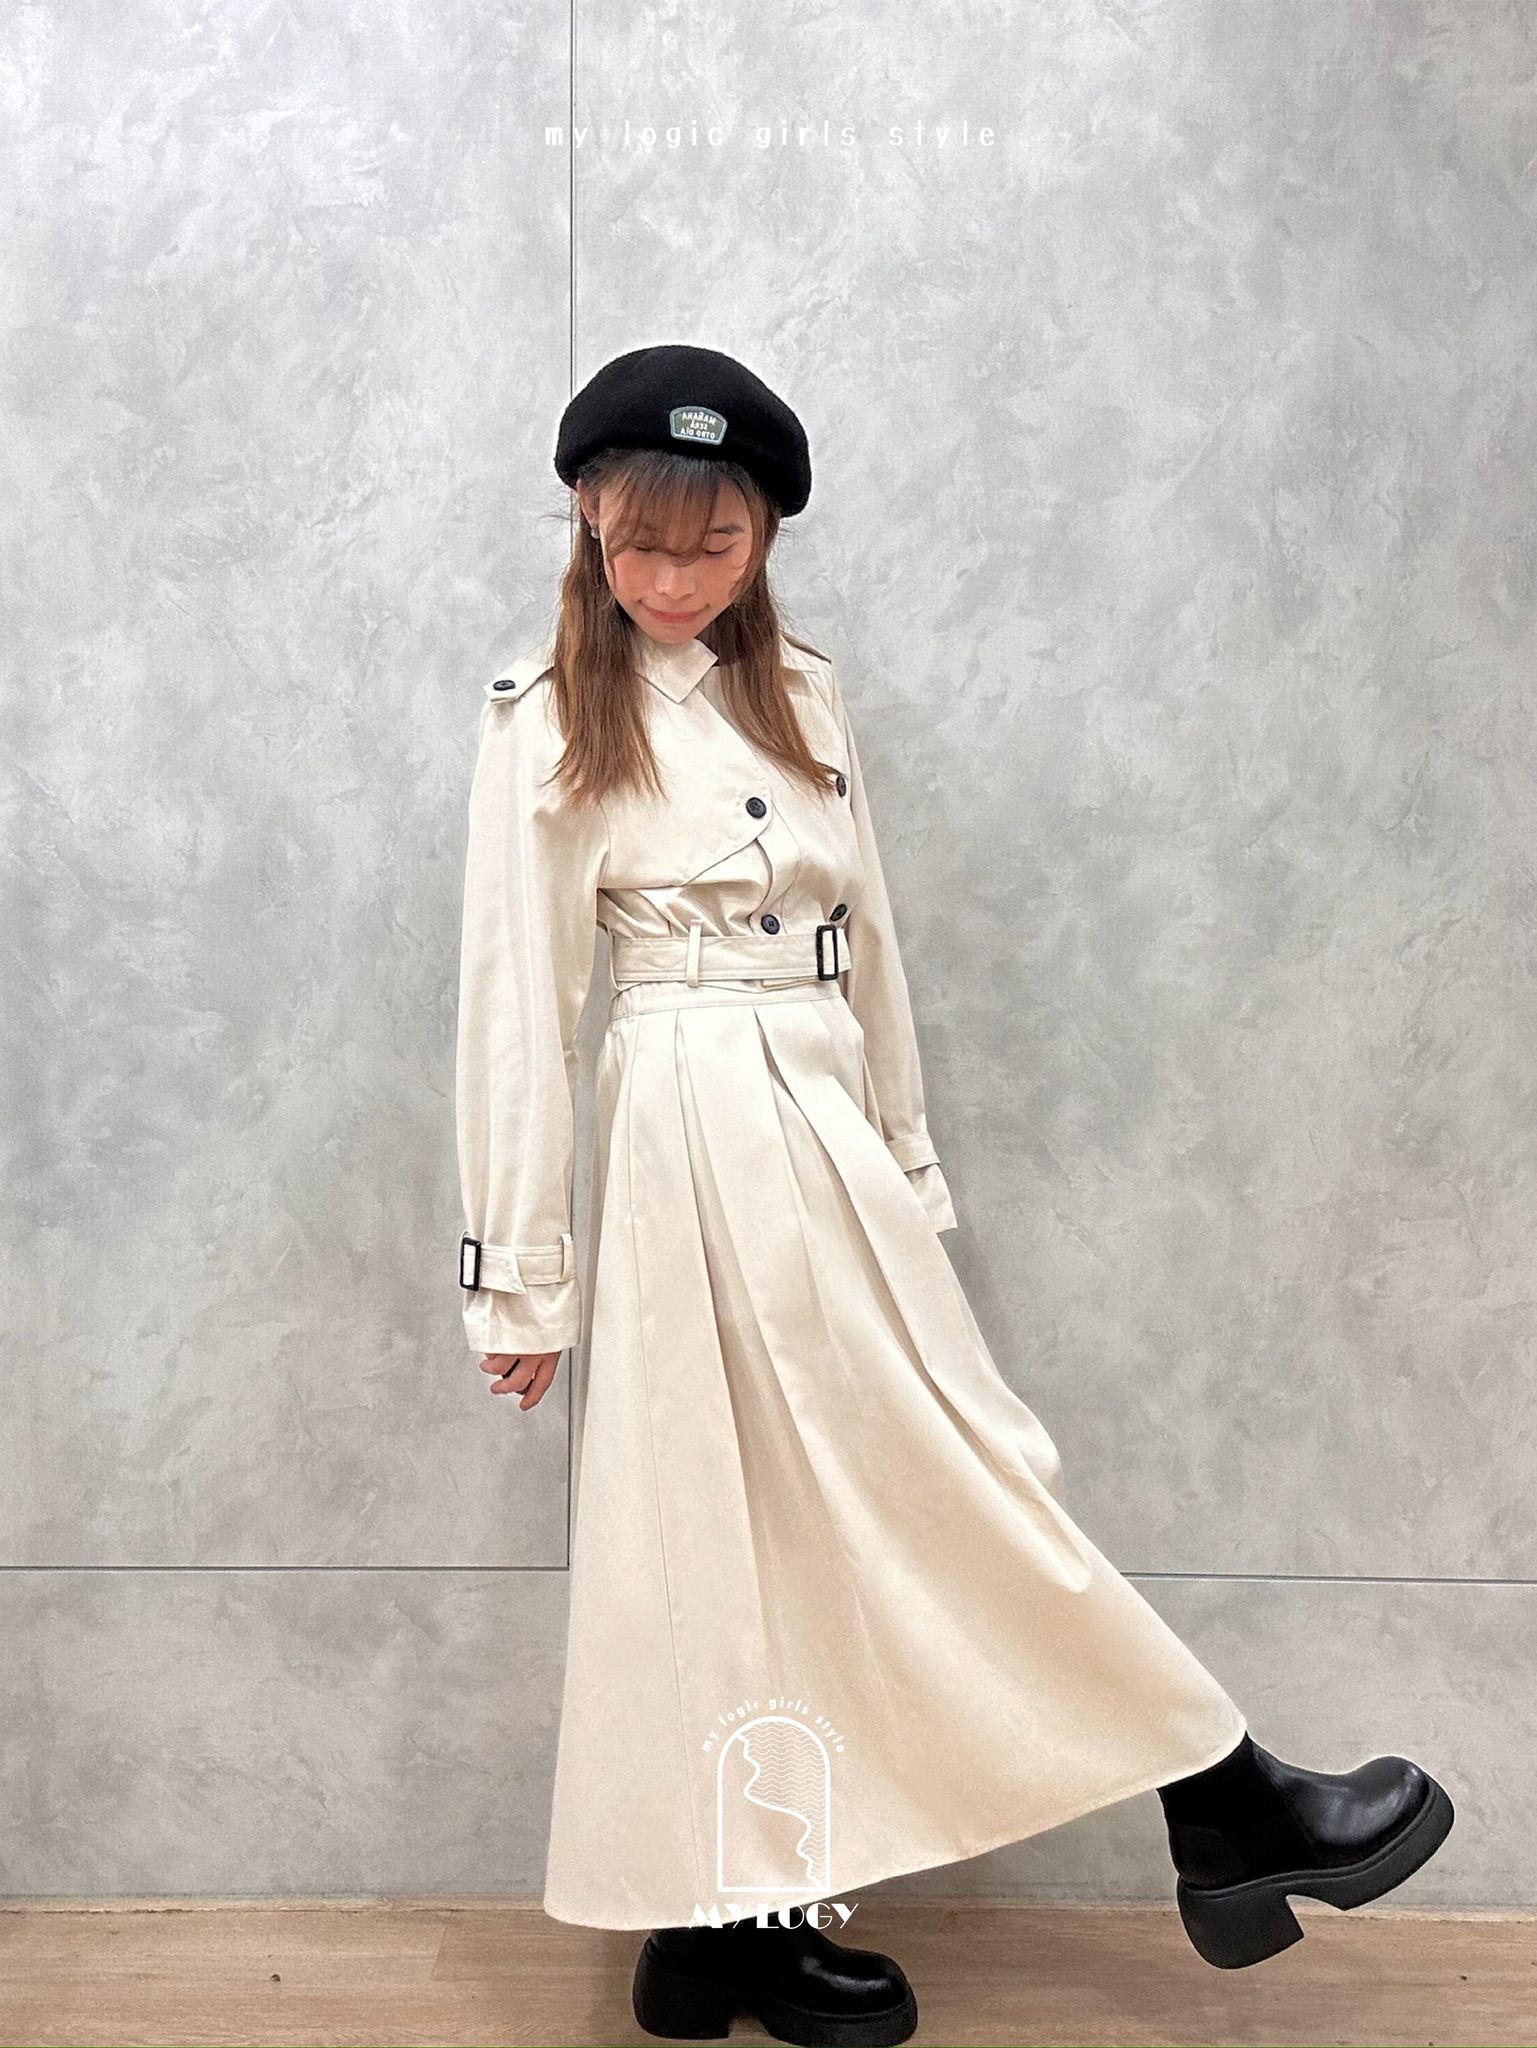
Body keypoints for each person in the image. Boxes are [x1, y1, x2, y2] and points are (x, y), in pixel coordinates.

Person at [453, 345, 1455, 2048]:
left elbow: (870, 956)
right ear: (586, 526)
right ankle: (1210, 1806)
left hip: (823, 1127)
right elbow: (514, 1007)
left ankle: (729, 1934)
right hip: (691, 1128)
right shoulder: (548, 717)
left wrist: (904, 1160)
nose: (671, 581)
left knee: (938, 1474)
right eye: (638, 546)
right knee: (725, 1527)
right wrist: (522, 1280)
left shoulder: (804, 696)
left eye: (710, 546)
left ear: (765, 538)